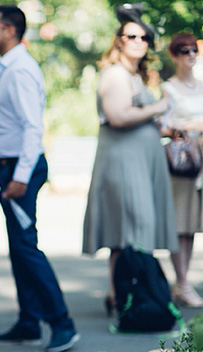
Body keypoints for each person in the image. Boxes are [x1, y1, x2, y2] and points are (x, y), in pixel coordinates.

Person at [0, 5, 79, 352]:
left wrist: (18, 177)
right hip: (9, 165)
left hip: (23, 169)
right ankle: (29, 322)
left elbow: (34, 129)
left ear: (9, 30)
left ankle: (62, 323)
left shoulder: (19, 70)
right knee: (19, 249)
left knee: (26, 248)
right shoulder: (9, 67)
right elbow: (8, 130)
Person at [82, 5, 175, 313]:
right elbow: (119, 116)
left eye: (144, 37)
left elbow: (140, 116)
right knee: (132, 229)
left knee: (129, 231)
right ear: (119, 40)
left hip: (142, 162)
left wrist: (162, 124)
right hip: (123, 163)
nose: (138, 40)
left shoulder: (136, 76)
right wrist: (159, 107)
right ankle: (130, 296)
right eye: (131, 35)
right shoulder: (114, 75)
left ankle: (121, 295)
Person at [162, 33, 203, 307]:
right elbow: (162, 125)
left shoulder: (202, 85)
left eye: (193, 50)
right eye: (184, 51)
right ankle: (183, 283)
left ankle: (182, 282)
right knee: (181, 224)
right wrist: (190, 126)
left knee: (193, 226)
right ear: (175, 56)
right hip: (185, 161)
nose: (190, 55)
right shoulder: (169, 88)